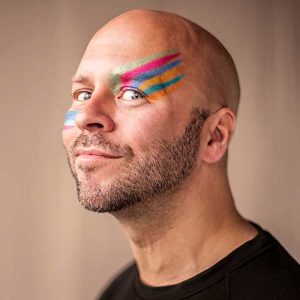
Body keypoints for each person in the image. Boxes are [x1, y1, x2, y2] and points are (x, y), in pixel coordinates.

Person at [62, 9, 300, 300]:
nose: (86, 116)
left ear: (214, 136)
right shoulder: (116, 292)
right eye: (83, 94)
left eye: (133, 93)